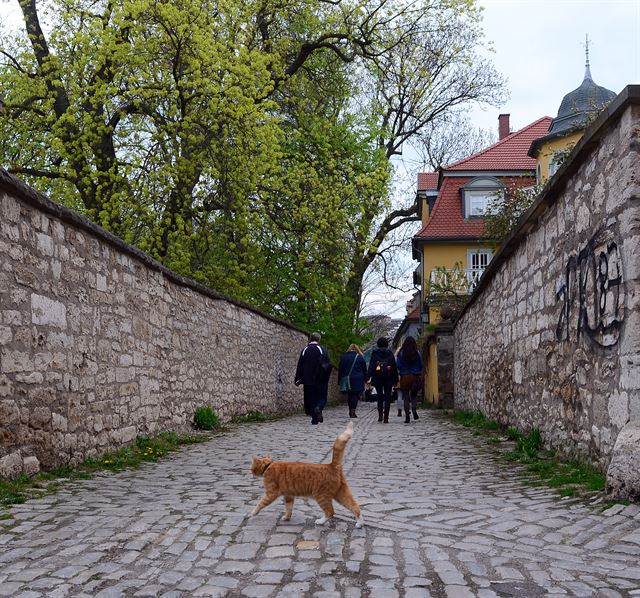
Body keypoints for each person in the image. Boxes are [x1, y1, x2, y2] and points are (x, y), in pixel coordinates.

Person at [295, 332, 332, 425]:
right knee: (322, 397)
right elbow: (327, 364)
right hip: (320, 378)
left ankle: (314, 419)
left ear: (310, 339)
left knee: (311, 398)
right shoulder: (322, 349)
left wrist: (298, 378)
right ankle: (319, 407)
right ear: (319, 339)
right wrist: (326, 376)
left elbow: (300, 365)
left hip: (308, 379)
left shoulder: (305, 350)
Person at [367, 337, 398, 423]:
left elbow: (371, 366)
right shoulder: (390, 353)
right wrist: (396, 379)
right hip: (388, 377)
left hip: (377, 377)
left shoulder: (375, 353)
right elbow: (394, 367)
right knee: (387, 397)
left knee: (380, 397)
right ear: (387, 344)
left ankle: (380, 415)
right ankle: (386, 417)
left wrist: (367, 377)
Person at [396, 336, 423, 424]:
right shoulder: (417, 353)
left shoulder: (401, 353)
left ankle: (407, 416)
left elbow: (398, 365)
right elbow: (421, 365)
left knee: (406, 396)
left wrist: (403, 370)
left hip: (405, 377)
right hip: (415, 376)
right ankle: (414, 409)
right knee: (414, 395)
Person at [338, 344, 368, 418]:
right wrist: (366, 379)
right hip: (358, 379)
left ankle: (350, 410)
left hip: (347, 379)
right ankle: (353, 411)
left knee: (350, 395)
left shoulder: (344, 357)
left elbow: (340, 369)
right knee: (355, 395)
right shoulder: (360, 357)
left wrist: (339, 380)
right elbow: (364, 370)